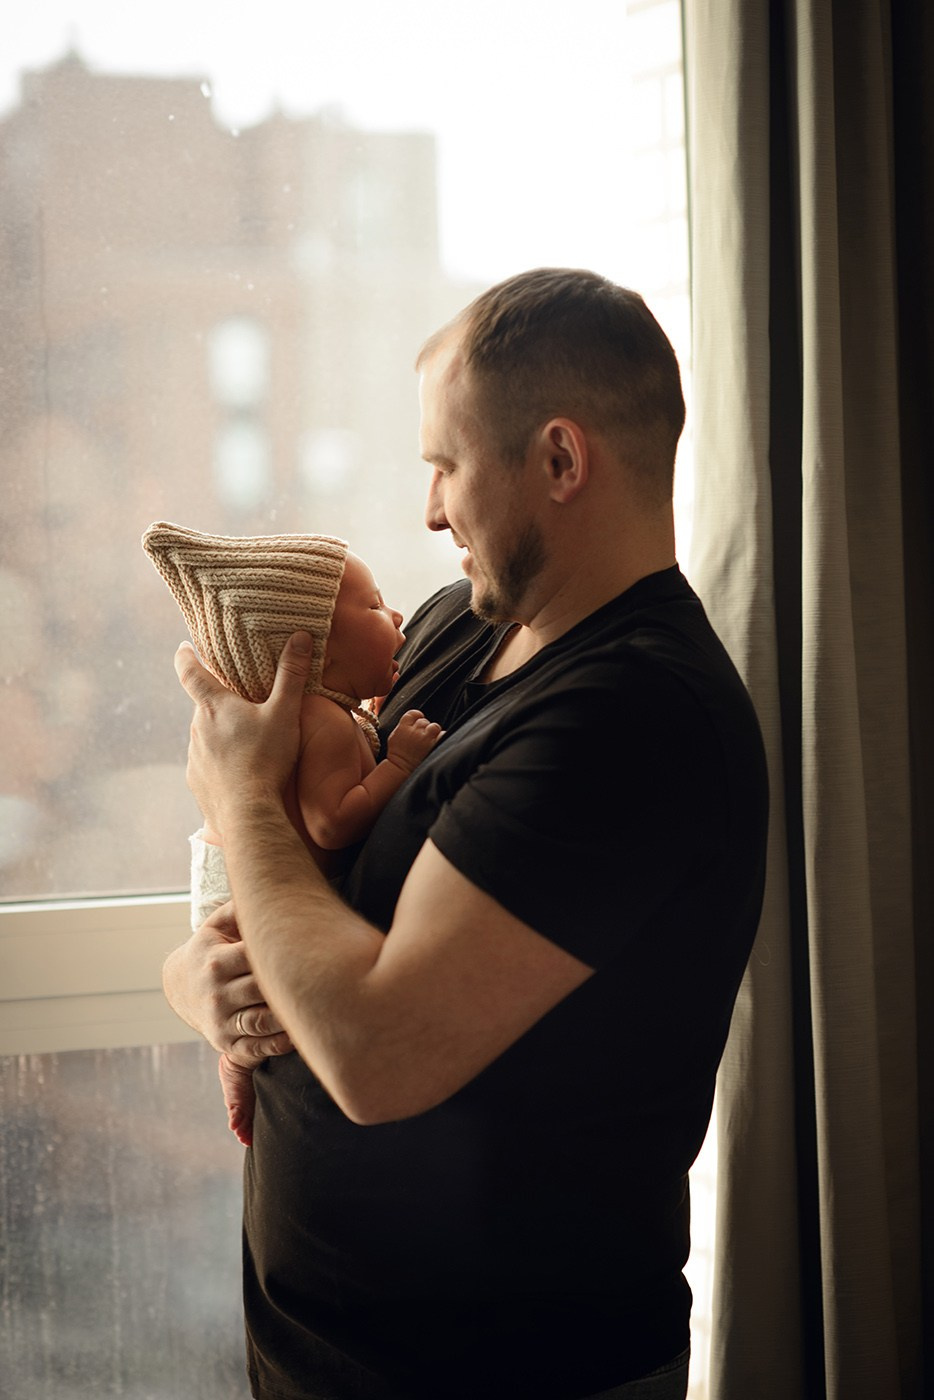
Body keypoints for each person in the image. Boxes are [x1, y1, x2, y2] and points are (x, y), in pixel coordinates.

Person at [162, 268, 770, 1400]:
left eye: (444, 464)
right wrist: (203, 973)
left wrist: (238, 798)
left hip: (511, 1371)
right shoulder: (450, 629)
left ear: (557, 460)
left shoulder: (632, 719)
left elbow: (376, 1054)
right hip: (319, 1349)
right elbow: (315, 863)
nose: (429, 509)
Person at [142, 522, 442, 1143]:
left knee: (257, 1003)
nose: (396, 614)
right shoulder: (325, 723)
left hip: (228, 883)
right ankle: (239, 1056)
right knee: (264, 1006)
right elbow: (333, 823)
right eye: (374, 605)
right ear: (322, 653)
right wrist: (399, 765)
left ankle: (237, 1057)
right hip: (244, 898)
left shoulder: (329, 716)